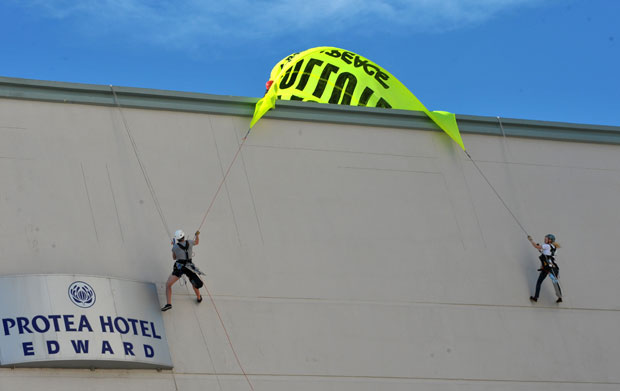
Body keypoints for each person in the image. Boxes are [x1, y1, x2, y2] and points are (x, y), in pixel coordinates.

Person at [161, 229, 203, 311]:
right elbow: (197, 242)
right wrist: (197, 235)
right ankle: (199, 298)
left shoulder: (175, 247)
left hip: (180, 267)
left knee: (168, 285)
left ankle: (169, 303)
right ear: (184, 236)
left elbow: (174, 258)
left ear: (177, 239)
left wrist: (173, 247)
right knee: (194, 284)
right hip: (189, 267)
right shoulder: (190, 242)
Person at [528, 234, 562, 303]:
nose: (545, 239)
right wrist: (540, 249)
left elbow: (536, 246)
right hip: (553, 268)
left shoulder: (546, 245)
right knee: (555, 282)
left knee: (539, 282)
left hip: (546, 268)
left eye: (546, 239)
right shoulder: (554, 248)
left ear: (550, 240)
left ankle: (536, 297)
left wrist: (531, 240)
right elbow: (546, 253)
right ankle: (559, 297)